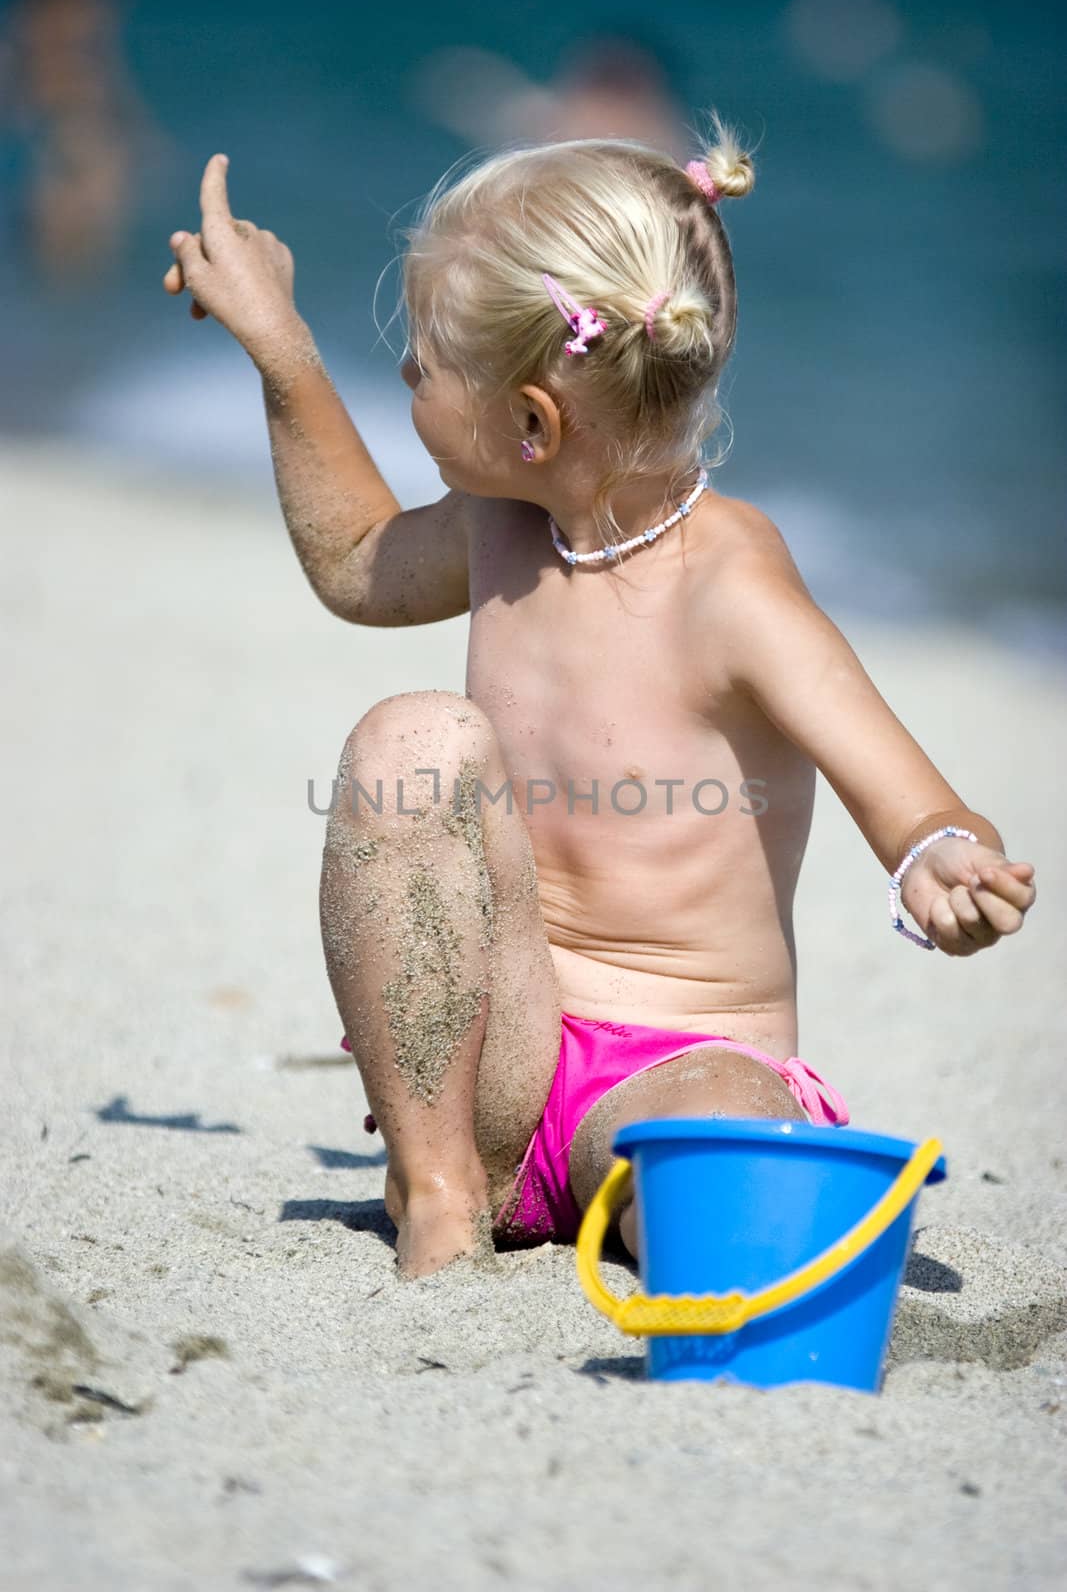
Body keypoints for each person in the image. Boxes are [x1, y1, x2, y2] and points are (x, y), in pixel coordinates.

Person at [162, 122, 1037, 1279]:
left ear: (531, 423)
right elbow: (356, 561)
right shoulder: (496, 529)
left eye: (421, 365)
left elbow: (908, 799)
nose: (408, 381)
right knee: (406, 739)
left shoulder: (732, 586)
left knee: (719, 1167)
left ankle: (715, 1208)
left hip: (679, 1059)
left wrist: (942, 859)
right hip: (493, 1067)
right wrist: (282, 352)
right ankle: (441, 1196)